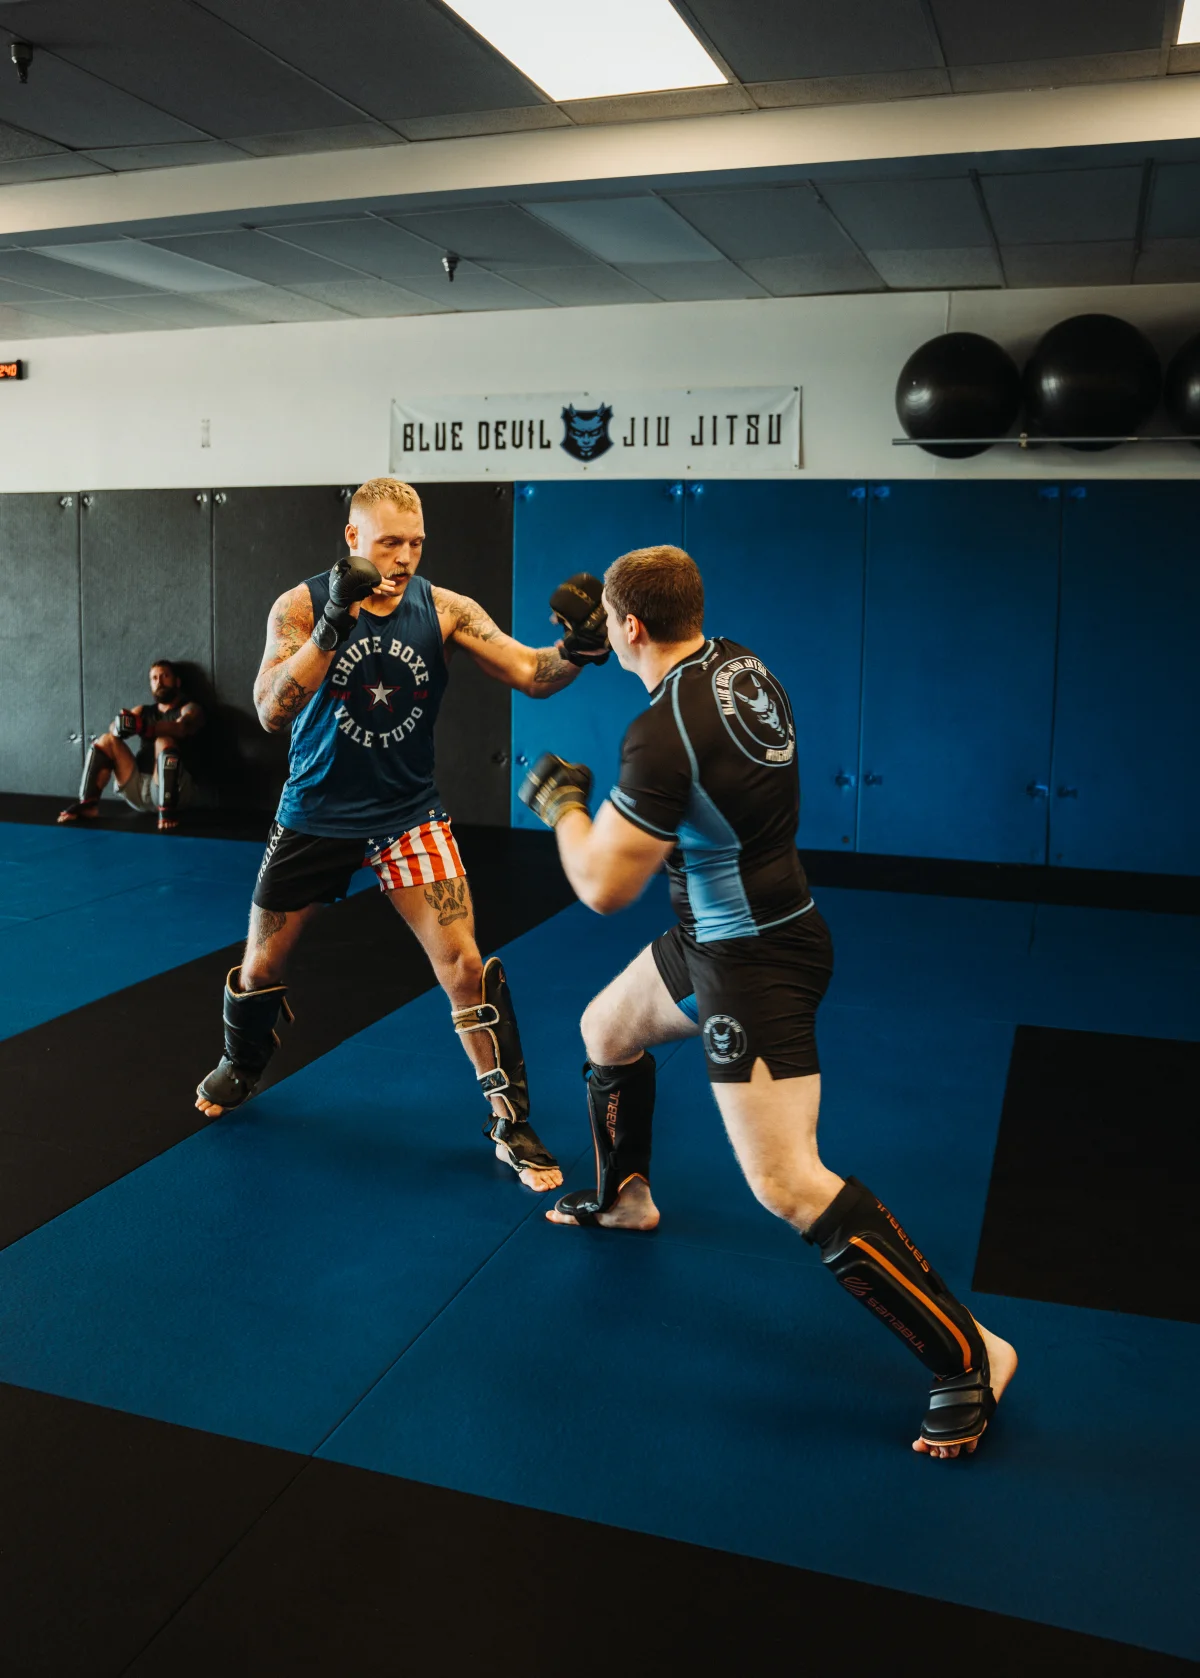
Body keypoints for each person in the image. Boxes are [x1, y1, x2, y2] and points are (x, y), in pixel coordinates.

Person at [519, 544, 1018, 1457]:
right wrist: (609, 644)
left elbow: (600, 887)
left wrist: (560, 807)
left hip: (752, 963)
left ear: (632, 625)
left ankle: (974, 1355)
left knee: (785, 1182)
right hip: (724, 929)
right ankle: (627, 1198)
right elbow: (681, 726)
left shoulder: (660, 737)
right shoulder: (737, 661)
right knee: (606, 1028)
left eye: (615, 629)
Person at [195, 476, 608, 1196]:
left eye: (416, 543)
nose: (406, 557)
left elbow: (530, 673)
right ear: (352, 538)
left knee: (464, 966)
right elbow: (269, 710)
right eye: (390, 543)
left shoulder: (445, 609)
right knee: (260, 969)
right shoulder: (297, 606)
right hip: (313, 816)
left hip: (408, 816)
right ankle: (243, 1059)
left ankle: (509, 1119)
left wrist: (578, 647)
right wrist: (330, 624)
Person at [58, 659, 204, 833]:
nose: (160, 682)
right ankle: (88, 804)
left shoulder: (190, 708)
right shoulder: (143, 711)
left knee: (164, 740)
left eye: (165, 676)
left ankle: (167, 811)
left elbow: (181, 728)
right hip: (138, 788)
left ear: (177, 681)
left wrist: (144, 727)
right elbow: (113, 728)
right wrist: (122, 726)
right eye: (154, 678)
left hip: (176, 793)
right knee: (106, 740)